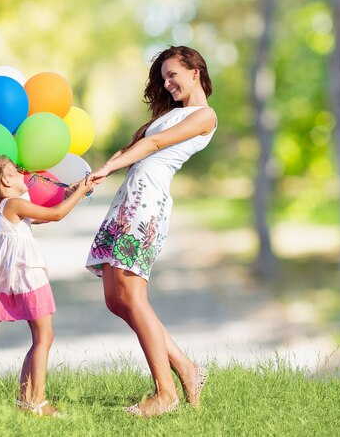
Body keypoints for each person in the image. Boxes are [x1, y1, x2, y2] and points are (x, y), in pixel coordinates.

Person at [85, 46, 217, 417]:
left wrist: (109, 169)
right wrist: (100, 172)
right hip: (130, 197)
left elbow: (155, 145)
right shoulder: (172, 114)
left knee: (133, 295)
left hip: (147, 202)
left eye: (173, 74)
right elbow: (138, 145)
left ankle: (166, 393)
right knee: (116, 299)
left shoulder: (205, 116)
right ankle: (188, 369)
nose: (168, 82)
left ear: (195, 71)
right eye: (163, 78)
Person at [0, 151, 95, 417]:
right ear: (6, 181)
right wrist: (82, 188)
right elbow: (56, 216)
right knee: (44, 337)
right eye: (15, 171)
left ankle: (25, 399)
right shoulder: (12, 204)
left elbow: (40, 216)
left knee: (39, 338)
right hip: (29, 277)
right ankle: (38, 401)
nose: (22, 173)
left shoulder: (6, 208)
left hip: (25, 276)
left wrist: (71, 194)